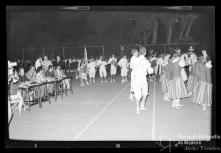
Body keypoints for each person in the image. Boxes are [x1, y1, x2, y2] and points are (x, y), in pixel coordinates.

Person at [133, 47, 154, 114]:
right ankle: (142, 105)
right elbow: (150, 71)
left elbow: (133, 68)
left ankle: (138, 108)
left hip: (136, 78)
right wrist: (152, 68)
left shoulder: (135, 60)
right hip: (143, 78)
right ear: (145, 52)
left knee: (137, 93)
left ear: (139, 52)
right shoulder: (146, 61)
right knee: (145, 92)